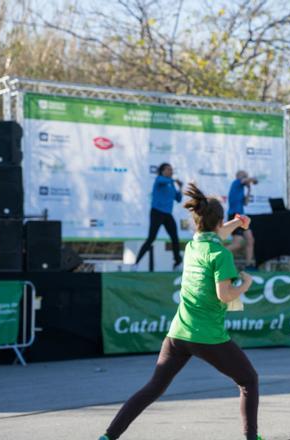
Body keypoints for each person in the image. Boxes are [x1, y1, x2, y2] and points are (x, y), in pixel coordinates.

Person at [99, 183, 261, 440]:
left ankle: (108, 436)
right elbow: (225, 295)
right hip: (207, 335)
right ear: (218, 222)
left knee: (153, 388)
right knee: (249, 381)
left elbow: (214, 233)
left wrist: (236, 223)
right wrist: (246, 284)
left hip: (178, 334)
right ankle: (251, 438)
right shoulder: (221, 254)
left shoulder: (194, 245)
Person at [135, 163, 183, 270]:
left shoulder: (171, 185)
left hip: (167, 215)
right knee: (151, 238)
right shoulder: (159, 179)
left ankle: (177, 263)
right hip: (157, 212)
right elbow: (162, 181)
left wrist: (180, 188)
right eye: (168, 170)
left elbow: (179, 199)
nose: (171, 171)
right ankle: (136, 263)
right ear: (162, 171)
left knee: (175, 238)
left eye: (172, 170)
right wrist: (174, 181)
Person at [227, 170, 258, 268]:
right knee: (238, 244)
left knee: (250, 240)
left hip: (241, 217)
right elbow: (250, 180)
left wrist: (249, 190)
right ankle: (217, 254)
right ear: (238, 176)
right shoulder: (236, 182)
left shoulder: (241, 189)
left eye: (246, 175)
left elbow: (245, 203)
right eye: (243, 175)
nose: (245, 176)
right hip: (234, 216)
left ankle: (248, 265)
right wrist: (253, 180)